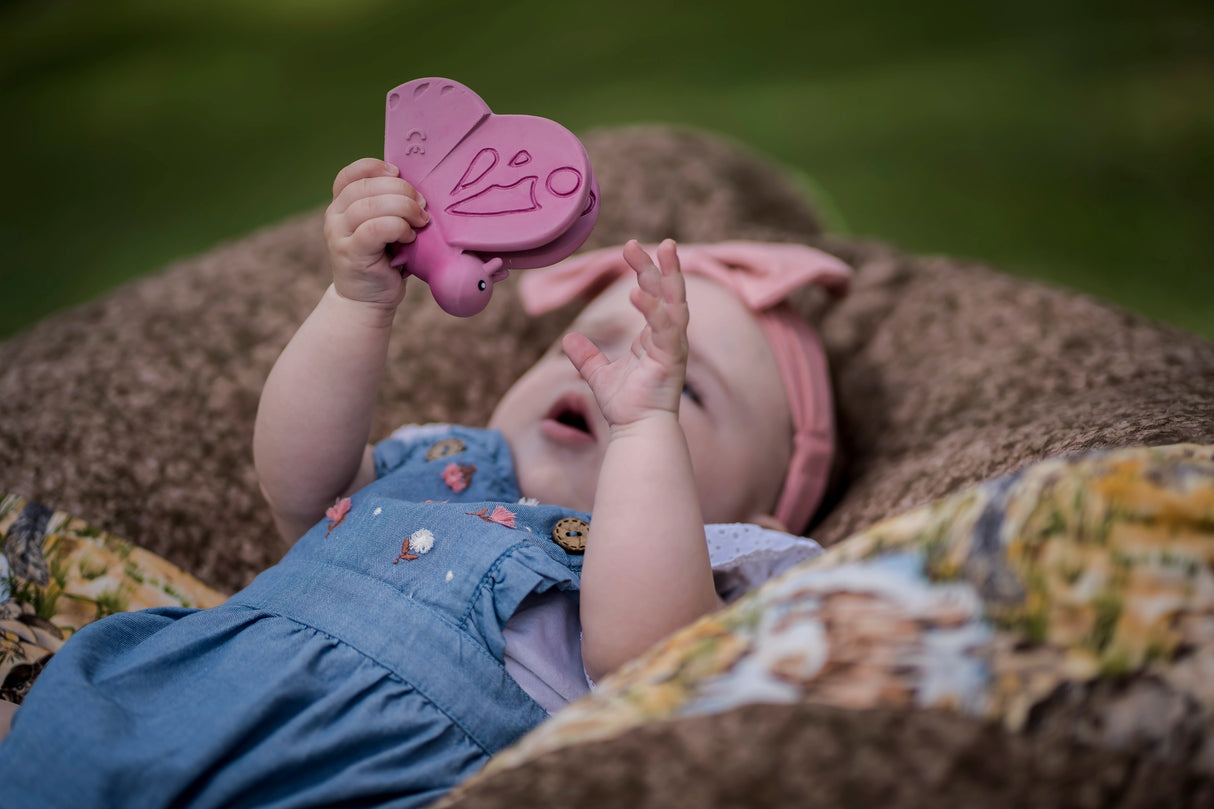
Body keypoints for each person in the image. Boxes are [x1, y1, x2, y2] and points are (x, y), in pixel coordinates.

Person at [0, 158, 850, 808]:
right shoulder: (443, 461)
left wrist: (641, 430)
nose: (619, 375)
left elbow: (643, 659)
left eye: (684, 386)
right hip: (169, 691)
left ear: (760, 513)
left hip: (361, 772)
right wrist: (357, 303)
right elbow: (301, 485)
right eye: (595, 340)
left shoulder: (704, 571)